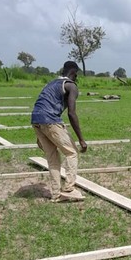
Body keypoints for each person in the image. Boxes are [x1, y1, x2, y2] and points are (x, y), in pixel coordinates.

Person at [31, 60, 87, 202]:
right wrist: (81, 139)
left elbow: (41, 104)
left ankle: (56, 194)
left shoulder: (51, 84)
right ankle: (69, 188)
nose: (76, 78)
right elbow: (71, 113)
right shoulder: (71, 85)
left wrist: (41, 134)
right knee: (72, 152)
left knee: (52, 158)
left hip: (36, 120)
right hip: (50, 120)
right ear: (73, 72)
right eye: (76, 75)